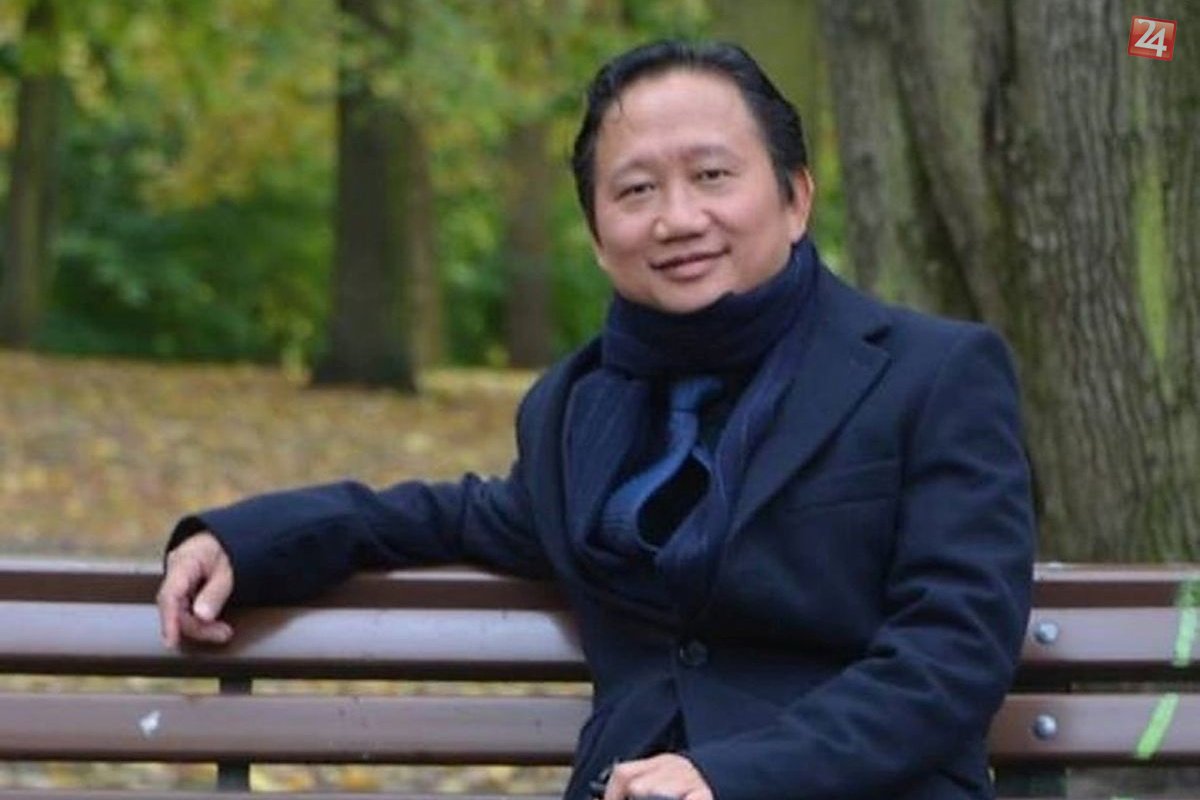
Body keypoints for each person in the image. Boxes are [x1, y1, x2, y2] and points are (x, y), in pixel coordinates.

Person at [157, 40, 1035, 800]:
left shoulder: (932, 375)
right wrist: (245, 541)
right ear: (596, 233)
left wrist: (731, 776)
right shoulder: (577, 408)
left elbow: (950, 653)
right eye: (637, 189)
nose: (678, 219)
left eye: (713, 176)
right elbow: (454, 517)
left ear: (796, 197)